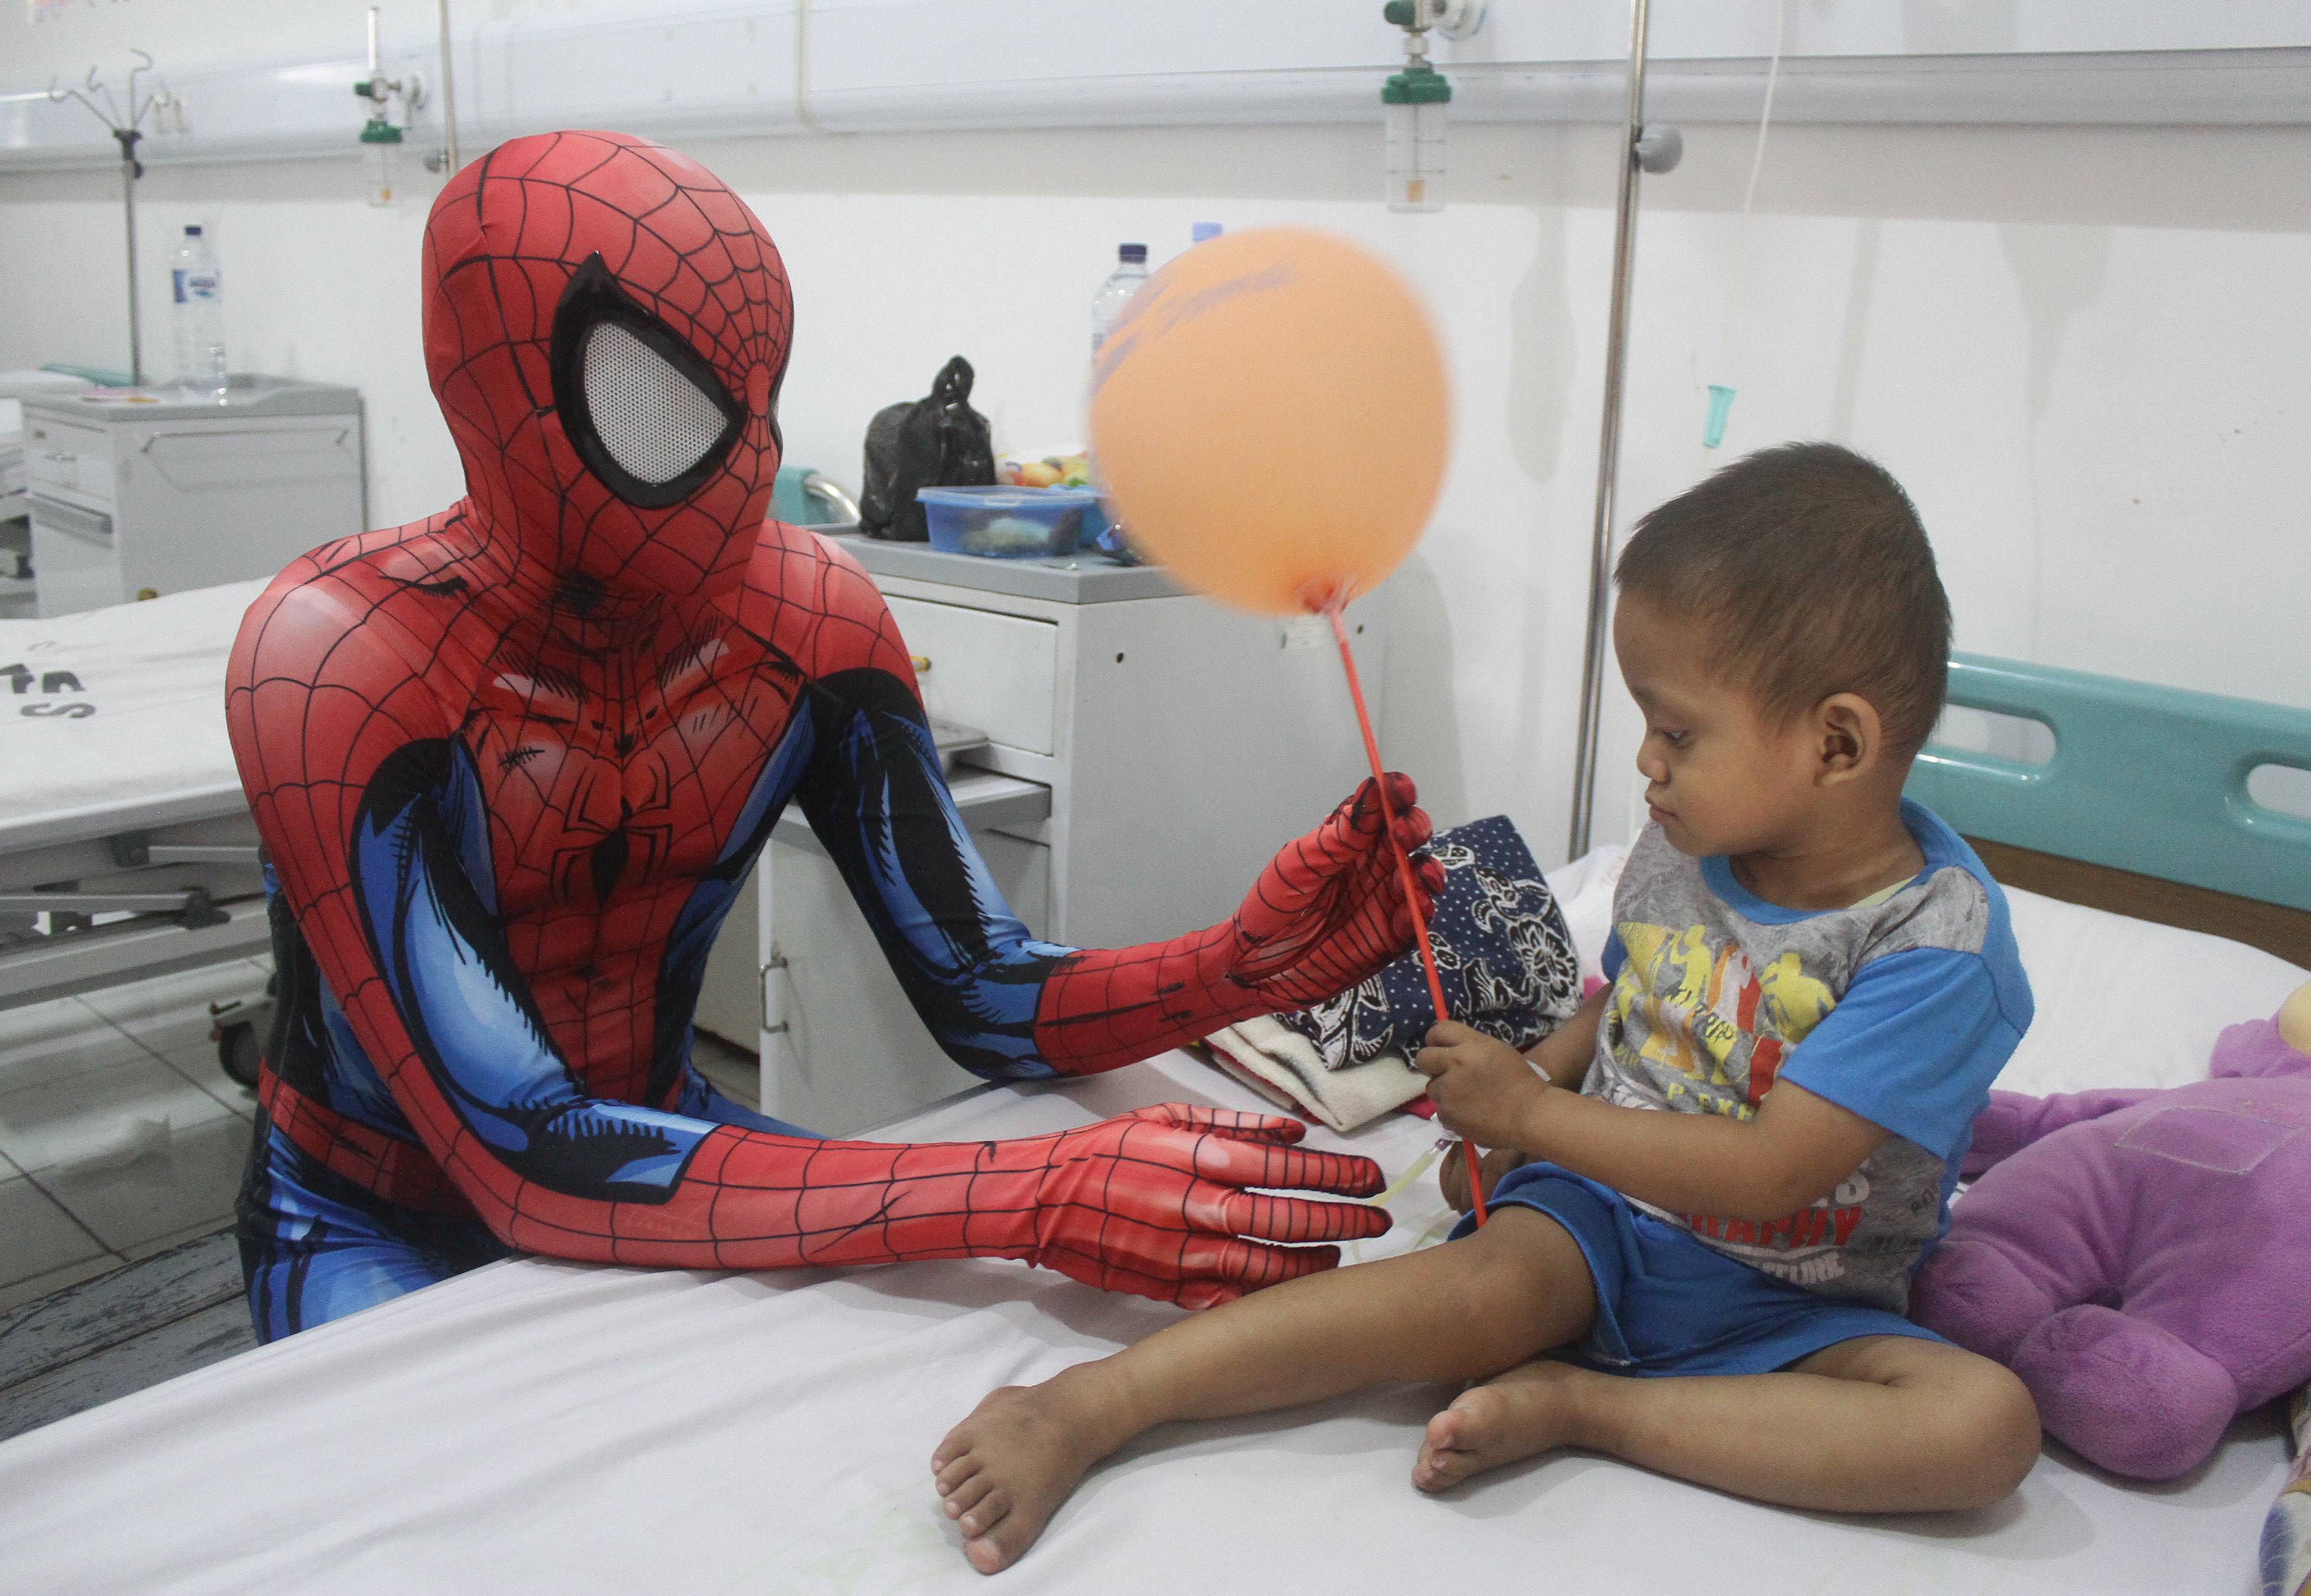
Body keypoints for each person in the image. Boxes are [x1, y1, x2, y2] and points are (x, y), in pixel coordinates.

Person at [224, 130, 1442, 1340]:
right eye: (659, 405)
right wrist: (1019, 1188)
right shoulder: (342, 658)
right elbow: (523, 1153)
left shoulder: (805, 619)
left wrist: (1233, 966)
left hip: (671, 1141)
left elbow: (986, 993)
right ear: (490, 387)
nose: (746, 467)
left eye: (758, 397)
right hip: (369, 1209)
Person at [931, 442, 2042, 1574]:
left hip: (1801, 1305)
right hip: (1607, 1225)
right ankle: (1096, 1402)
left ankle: (1585, 1408)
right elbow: (1634, 1008)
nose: (1648, 765)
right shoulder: (1688, 846)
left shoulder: (1937, 951)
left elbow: (1773, 1172)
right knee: (1479, 1291)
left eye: (1680, 731)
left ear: (1836, 743)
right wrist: (1542, 1078)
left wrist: (1534, 1116)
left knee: (1983, 1429)